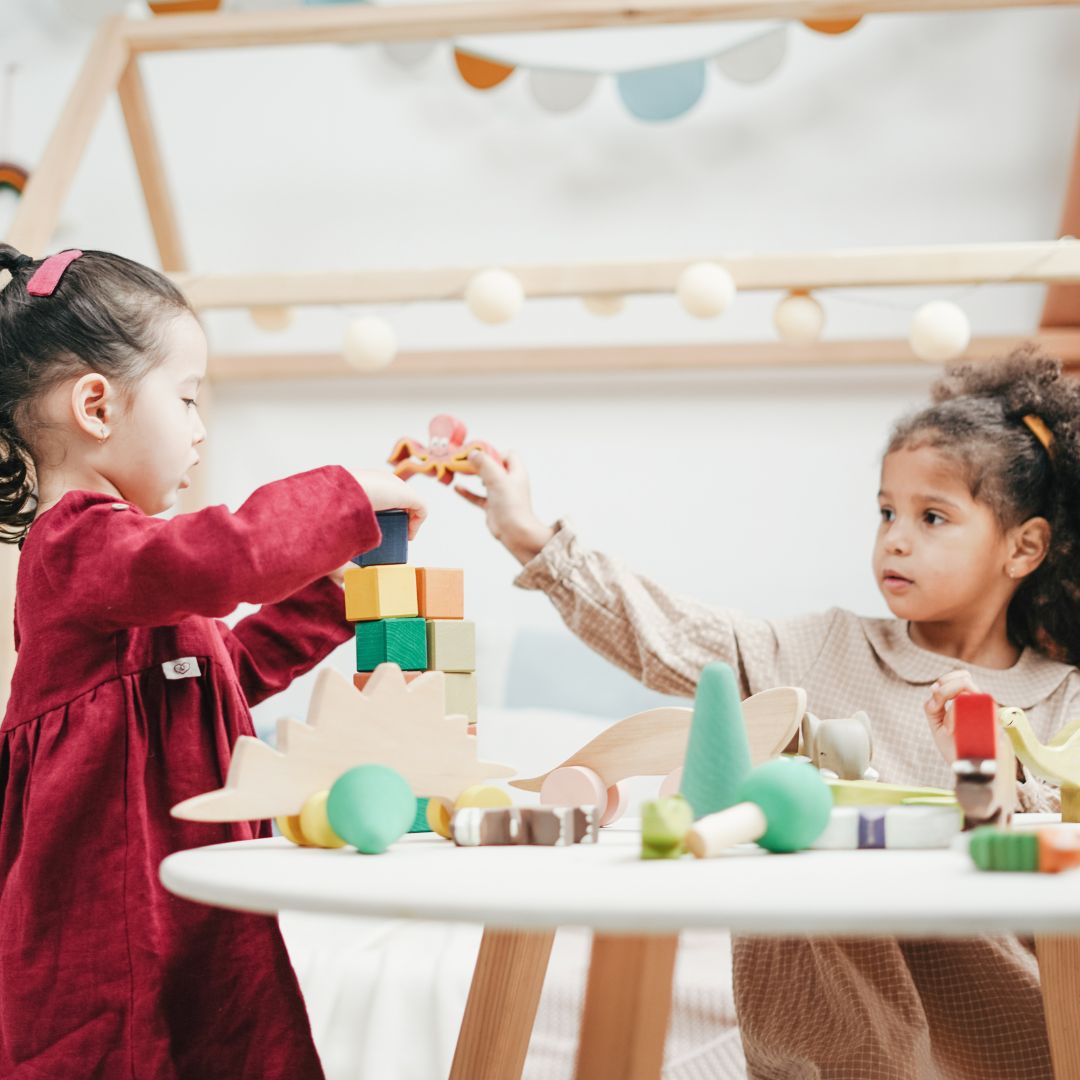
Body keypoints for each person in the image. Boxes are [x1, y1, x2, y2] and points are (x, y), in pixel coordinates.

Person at [459, 347, 1080, 1078]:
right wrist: (528, 534)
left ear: (1025, 547)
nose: (896, 538)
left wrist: (994, 783)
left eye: (933, 516)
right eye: (886, 512)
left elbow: (1054, 880)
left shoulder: (1061, 698)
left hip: (1010, 1041)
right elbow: (669, 635)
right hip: (834, 1047)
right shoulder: (820, 650)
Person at [0, 244, 426, 1079]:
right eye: (188, 399)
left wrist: (332, 595)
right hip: (109, 916)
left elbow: (215, 671)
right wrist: (342, 498)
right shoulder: (78, 546)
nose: (200, 430)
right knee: (121, 1053)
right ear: (96, 405)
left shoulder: (133, 577)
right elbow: (214, 562)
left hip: (191, 897)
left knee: (232, 1040)